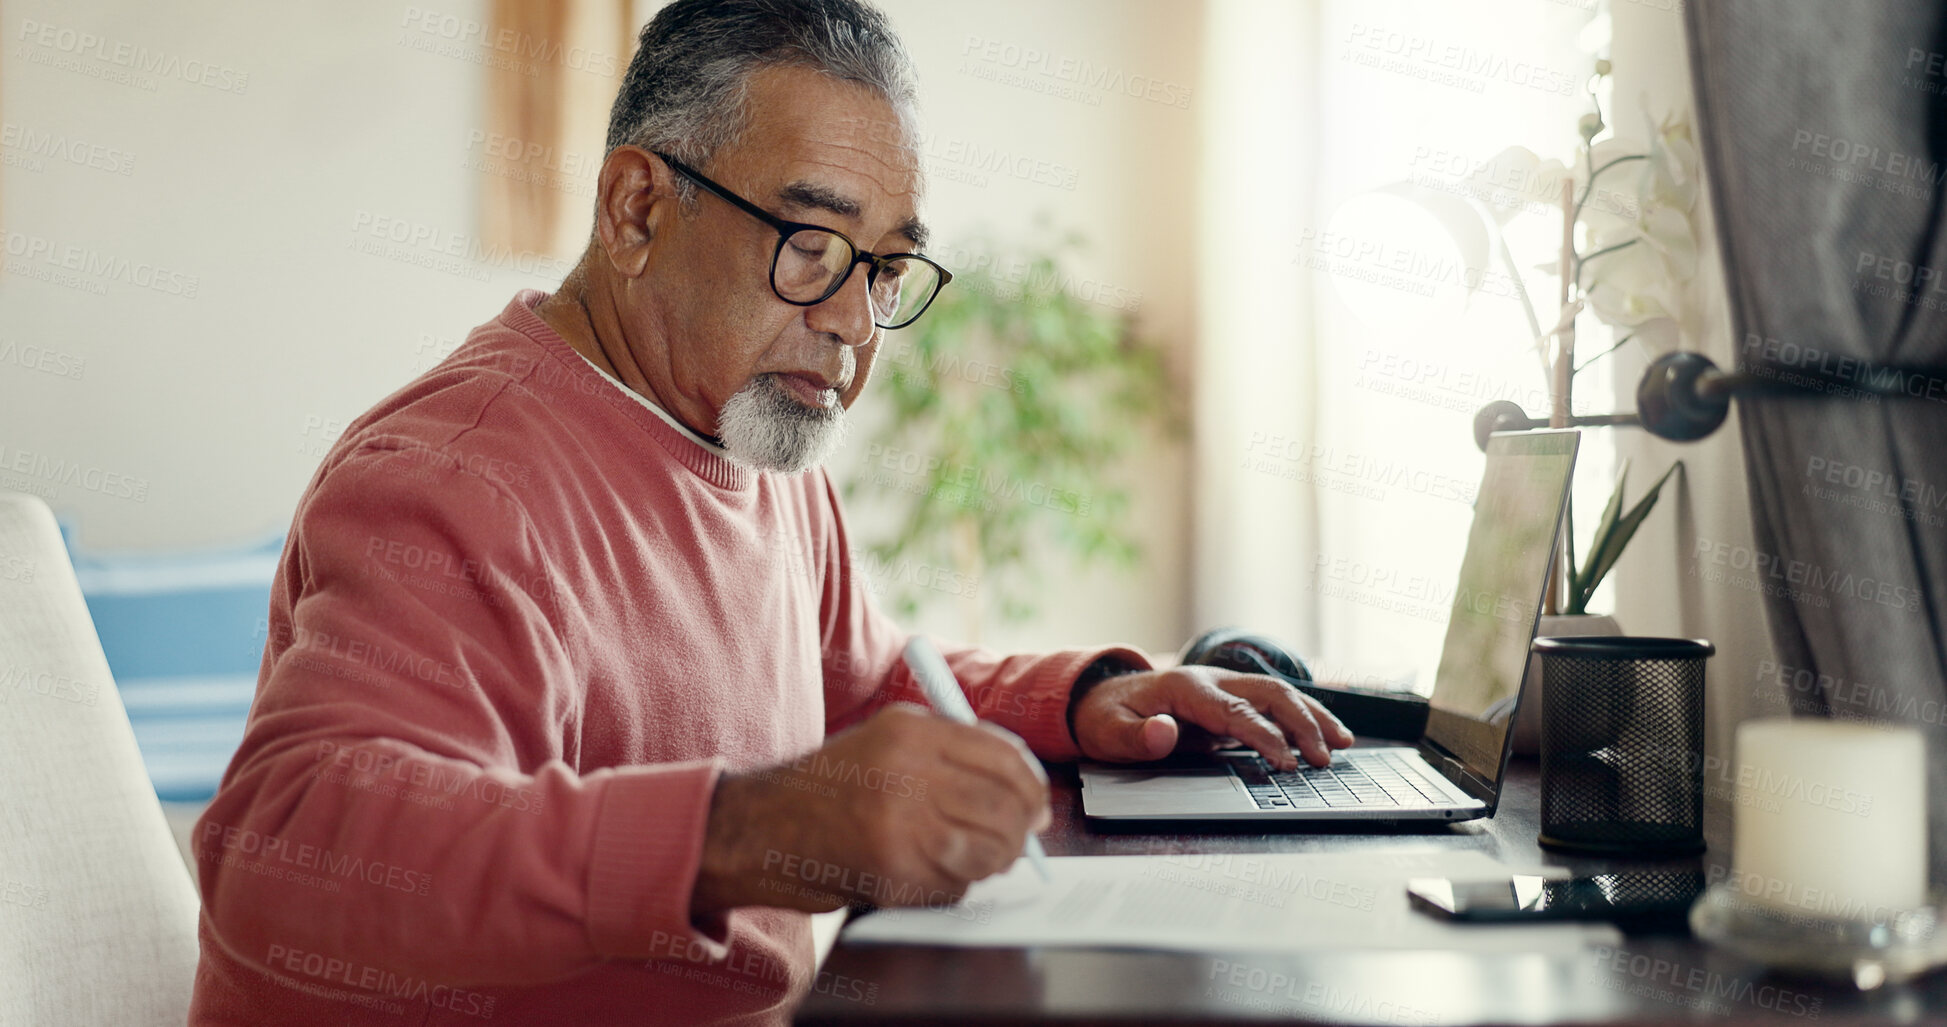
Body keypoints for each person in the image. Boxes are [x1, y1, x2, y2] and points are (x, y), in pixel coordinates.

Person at [189, 1, 1352, 1023]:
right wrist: (739, 831)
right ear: (638, 209)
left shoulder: (753, 440)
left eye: (886, 269)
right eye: (811, 245)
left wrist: (1093, 698)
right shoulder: (454, 479)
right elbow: (286, 853)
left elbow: (863, 683)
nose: (853, 320)